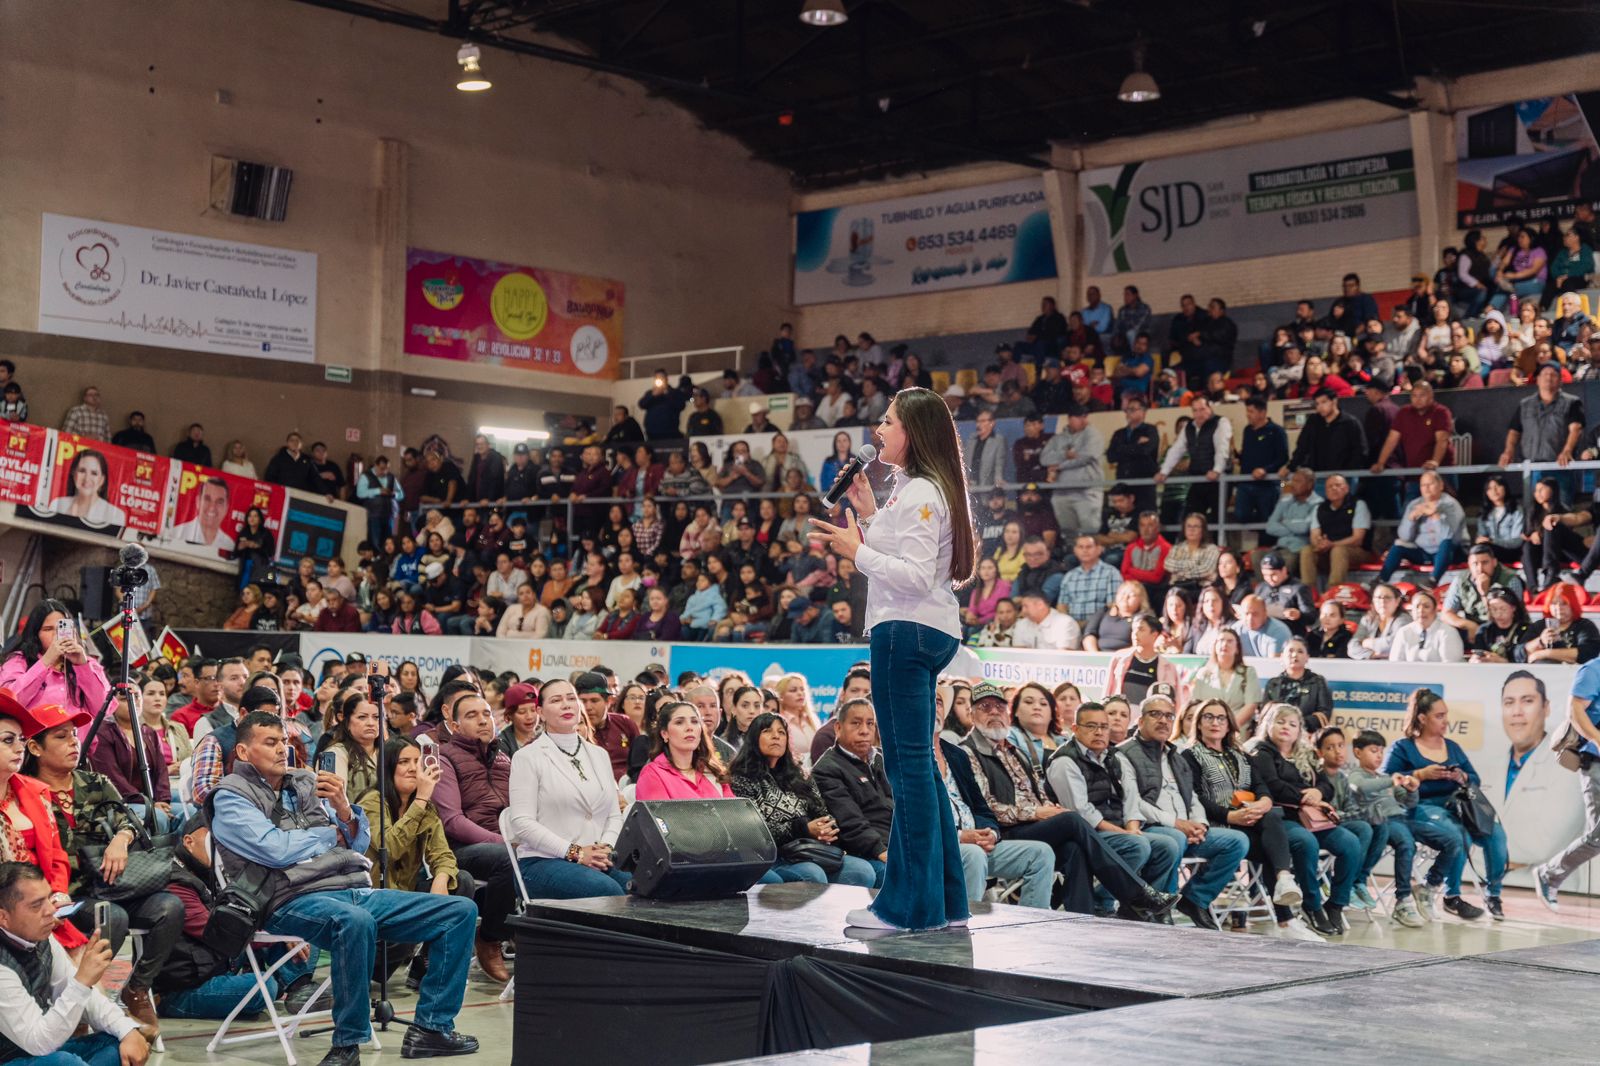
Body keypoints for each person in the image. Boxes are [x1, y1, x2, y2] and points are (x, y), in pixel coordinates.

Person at [209, 712, 480, 1065]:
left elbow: (357, 842)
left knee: (459, 912)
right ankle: (347, 1045)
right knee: (353, 921)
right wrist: (327, 835)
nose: (281, 750)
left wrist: (342, 810)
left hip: (348, 887)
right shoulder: (229, 797)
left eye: (284, 742)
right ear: (244, 752)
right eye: (270, 743)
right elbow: (274, 850)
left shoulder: (305, 782)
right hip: (283, 900)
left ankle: (431, 1028)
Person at [806, 387, 974, 932]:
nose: (878, 429)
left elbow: (916, 574)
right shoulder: (916, 488)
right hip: (921, 628)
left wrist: (857, 552)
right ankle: (945, 903)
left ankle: (905, 908)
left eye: (888, 421)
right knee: (919, 770)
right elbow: (905, 554)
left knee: (906, 774)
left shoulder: (924, 490)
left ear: (914, 432)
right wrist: (867, 512)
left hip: (906, 631)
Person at [23, 711, 179, 1040]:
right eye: (61, 737)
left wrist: (121, 841)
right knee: (113, 918)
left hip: (116, 885)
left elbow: (128, 820)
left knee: (169, 906)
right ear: (35, 748)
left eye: (74, 736)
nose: (73, 743)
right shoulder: (28, 791)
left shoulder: (94, 782)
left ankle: (136, 989)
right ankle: (82, 1002)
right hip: (69, 895)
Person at [960, 683, 1176, 919]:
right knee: (1072, 821)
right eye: (985, 707)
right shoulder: (967, 752)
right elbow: (984, 807)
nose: (993, 713)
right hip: (1001, 831)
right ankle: (1135, 893)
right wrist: (1036, 812)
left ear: (1007, 714)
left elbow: (1039, 794)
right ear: (971, 714)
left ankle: (1081, 921)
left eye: (999, 708)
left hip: (1031, 827)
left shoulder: (1014, 751)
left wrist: (1048, 808)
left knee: (1075, 848)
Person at [1116, 686, 1250, 929]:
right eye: (1155, 714)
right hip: (1152, 828)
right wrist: (1177, 824)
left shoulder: (1177, 755)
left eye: (1168, 716)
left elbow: (1193, 798)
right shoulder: (1124, 753)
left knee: (1237, 841)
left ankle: (1194, 899)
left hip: (1185, 828)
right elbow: (1134, 802)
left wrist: (1200, 824)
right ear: (1141, 719)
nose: (1163, 721)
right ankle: (1157, 905)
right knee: (1174, 838)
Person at [0, 861, 149, 1066]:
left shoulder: (42, 938)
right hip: (12, 1056)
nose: (50, 911)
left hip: (37, 1052)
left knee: (117, 1043)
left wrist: (127, 1030)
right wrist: (82, 982)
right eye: (36, 905)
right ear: (3, 917)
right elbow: (38, 1042)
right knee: (64, 1062)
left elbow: (84, 998)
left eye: (48, 899)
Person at [1382, 689, 1508, 921]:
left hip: (1458, 805)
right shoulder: (1403, 747)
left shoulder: (1452, 747)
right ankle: (1451, 895)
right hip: (1421, 806)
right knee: (1459, 835)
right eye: (1439, 716)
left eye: (1445, 715)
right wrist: (1421, 774)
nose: (1445, 721)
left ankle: (1494, 895)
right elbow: (1385, 778)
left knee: (1497, 834)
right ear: (1422, 718)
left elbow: (1475, 779)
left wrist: (1462, 777)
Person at [1243, 704, 1363, 936]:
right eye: (1280, 721)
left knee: (1350, 843)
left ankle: (1336, 904)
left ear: (1299, 730)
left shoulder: (1304, 753)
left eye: (1292, 724)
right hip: (1280, 817)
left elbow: (1325, 784)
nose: (1286, 727)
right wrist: (1304, 797)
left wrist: (1318, 793)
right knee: (1306, 843)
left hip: (1311, 816)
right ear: (1268, 724)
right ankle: (1312, 905)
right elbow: (1273, 786)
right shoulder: (1260, 751)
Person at [1046, 702, 1182, 905]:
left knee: (1168, 846)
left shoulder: (1114, 756)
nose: (1099, 732)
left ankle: (1134, 905)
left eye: (1103, 727)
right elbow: (1081, 813)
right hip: (1085, 834)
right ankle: (1106, 901)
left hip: (1116, 829)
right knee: (1137, 846)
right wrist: (1125, 834)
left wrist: (1132, 827)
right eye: (1091, 726)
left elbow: (1131, 798)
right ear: (1075, 729)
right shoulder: (1065, 761)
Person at [506, 678, 629, 903]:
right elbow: (522, 823)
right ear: (540, 712)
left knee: (644, 887)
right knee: (611, 892)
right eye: (556, 700)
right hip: (543, 862)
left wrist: (606, 849)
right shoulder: (527, 757)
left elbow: (614, 814)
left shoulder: (599, 755)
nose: (566, 704)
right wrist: (577, 853)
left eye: (571, 698)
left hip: (597, 857)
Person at [428, 691, 516, 983]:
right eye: (472, 715)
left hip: (509, 843)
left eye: (487, 713)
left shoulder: (504, 758)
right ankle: (489, 938)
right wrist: (502, 843)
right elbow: (452, 821)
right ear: (454, 725)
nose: (483, 720)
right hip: (462, 850)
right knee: (509, 860)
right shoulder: (444, 757)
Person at [728, 713, 876, 887]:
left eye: (781, 732)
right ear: (754, 739)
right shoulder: (741, 779)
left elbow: (823, 813)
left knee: (862, 871)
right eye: (768, 731)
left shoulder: (800, 776)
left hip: (809, 850)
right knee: (812, 873)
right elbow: (756, 832)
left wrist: (826, 829)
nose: (776, 736)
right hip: (773, 856)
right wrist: (804, 828)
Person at [0, 601, 109, 731]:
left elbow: (102, 710)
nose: (55, 635)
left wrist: (82, 665)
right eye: (48, 629)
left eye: (61, 628)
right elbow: (10, 704)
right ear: (35, 634)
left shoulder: (87, 663)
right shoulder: (19, 661)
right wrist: (46, 661)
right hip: (35, 746)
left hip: (79, 748)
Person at [1377, 471, 1468, 584]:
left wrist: (1435, 516)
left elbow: (1448, 536)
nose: (1426, 488)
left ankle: (1432, 581)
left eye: (1430, 484)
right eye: (1423, 485)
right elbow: (1405, 537)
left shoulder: (1451, 504)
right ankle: (1380, 580)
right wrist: (1411, 519)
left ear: (1441, 486)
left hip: (1451, 552)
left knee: (1447, 544)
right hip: (1423, 551)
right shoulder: (1414, 504)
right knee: (1397, 547)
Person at [1155, 395, 1231, 522]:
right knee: (1190, 518)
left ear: (1210, 408)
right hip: (1198, 479)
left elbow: (1221, 448)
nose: (1199, 414)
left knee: (1218, 519)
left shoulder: (1221, 422)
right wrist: (1164, 472)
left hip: (1219, 480)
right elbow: (1176, 450)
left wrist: (1217, 470)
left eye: (1202, 409)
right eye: (1195, 410)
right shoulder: (1189, 427)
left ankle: (1219, 542)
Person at [1300, 475, 1372, 590]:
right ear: (1326, 492)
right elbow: (1314, 534)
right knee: (1307, 550)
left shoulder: (1358, 505)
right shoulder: (1320, 508)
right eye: (1330, 487)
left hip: (1357, 551)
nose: (1334, 488)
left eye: (1338, 485)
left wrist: (1332, 545)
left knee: (1338, 550)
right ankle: (1308, 592)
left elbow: (1358, 539)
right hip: (1328, 551)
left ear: (1347, 488)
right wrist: (1319, 543)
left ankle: (1333, 591)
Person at [1188, 628, 1261, 732]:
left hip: (1238, 731)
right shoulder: (1203, 674)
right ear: (1215, 646)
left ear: (1237, 648)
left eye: (1230, 641)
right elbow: (1196, 705)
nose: (1225, 644)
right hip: (1207, 730)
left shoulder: (1248, 672)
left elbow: (1251, 705)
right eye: (1221, 640)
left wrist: (1229, 727)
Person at [1104, 613, 1181, 706]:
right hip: (1122, 716)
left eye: (1141, 629)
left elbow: (1176, 702)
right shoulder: (1119, 658)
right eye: (1133, 630)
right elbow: (1107, 692)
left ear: (1154, 635)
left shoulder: (1168, 667)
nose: (1135, 634)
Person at [1262, 638, 1333, 732]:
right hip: (1277, 734)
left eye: (1300, 651)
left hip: (1308, 735)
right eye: (1290, 651)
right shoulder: (1273, 684)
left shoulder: (1317, 682)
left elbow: (1324, 714)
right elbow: (1266, 714)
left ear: (1307, 657)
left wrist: (1296, 725)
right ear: (1282, 656)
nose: (1295, 655)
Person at [1390, 588, 1465, 663]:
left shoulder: (1448, 632)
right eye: (1417, 607)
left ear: (1435, 610)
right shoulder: (1404, 632)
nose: (1421, 611)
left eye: (1426, 606)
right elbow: (1395, 663)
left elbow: (1451, 666)